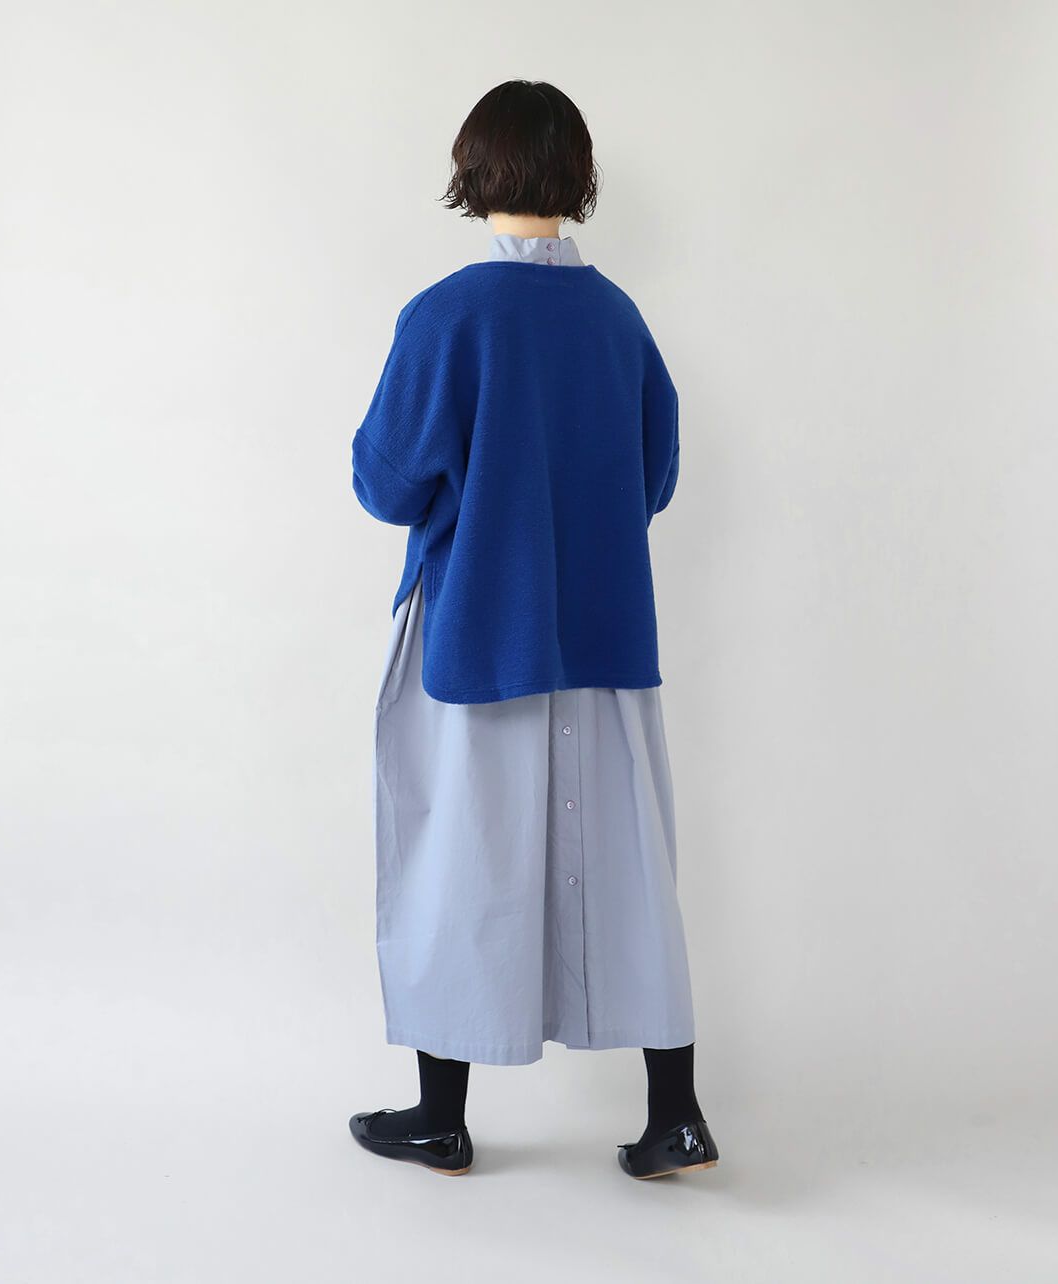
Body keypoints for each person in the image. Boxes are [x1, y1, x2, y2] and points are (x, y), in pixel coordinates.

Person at [347, 79, 719, 1181]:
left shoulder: (447, 315)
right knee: (632, 869)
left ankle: (440, 1118)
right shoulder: (618, 319)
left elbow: (385, 482)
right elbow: (654, 476)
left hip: (480, 631)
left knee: (455, 857)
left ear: (475, 171)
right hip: (604, 633)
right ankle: (676, 1114)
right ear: (578, 177)